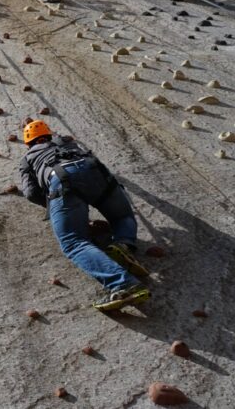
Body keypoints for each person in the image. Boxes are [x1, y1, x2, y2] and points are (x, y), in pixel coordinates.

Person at [18, 120, 150, 311]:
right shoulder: (67, 141)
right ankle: (123, 244)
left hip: (63, 182)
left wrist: (52, 204)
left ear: (28, 143)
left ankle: (122, 284)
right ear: (49, 133)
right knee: (122, 216)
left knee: (73, 242)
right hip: (97, 173)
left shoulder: (27, 159)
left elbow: (30, 192)